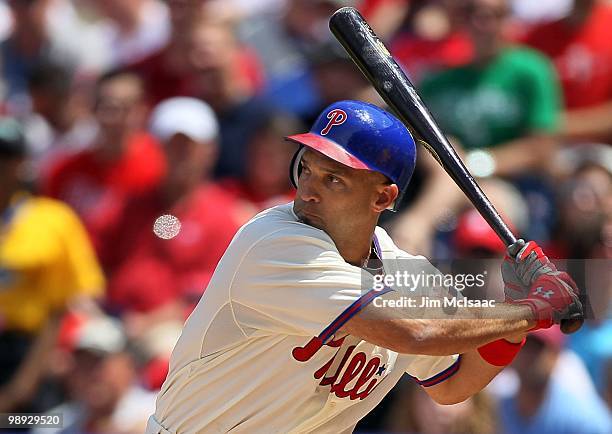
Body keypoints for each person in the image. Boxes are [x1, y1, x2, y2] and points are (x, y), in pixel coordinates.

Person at [145, 100, 582, 433]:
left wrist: (515, 318)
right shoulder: (274, 242)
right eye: (309, 169)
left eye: (334, 179)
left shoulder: (408, 274)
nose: (308, 191)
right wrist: (532, 310)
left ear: (384, 198)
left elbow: (453, 385)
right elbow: (413, 332)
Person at [0, 117, 104, 412]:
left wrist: (23, 385)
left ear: (21, 164)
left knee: (33, 425)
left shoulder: (51, 221)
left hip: (28, 353)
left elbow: (60, 309)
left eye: (5, 157)